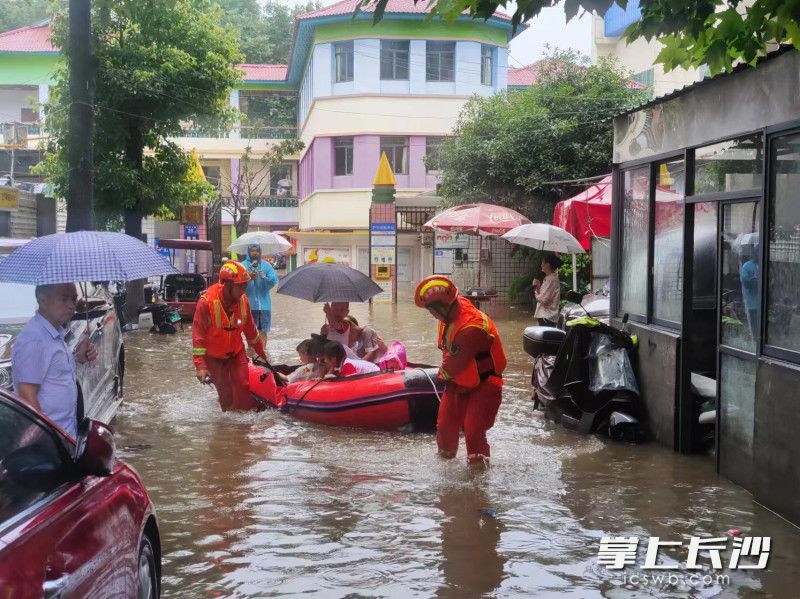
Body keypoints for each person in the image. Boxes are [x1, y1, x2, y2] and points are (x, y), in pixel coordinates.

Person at [415, 275, 506, 467]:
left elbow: (452, 367)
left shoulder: (471, 328)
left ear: (443, 307)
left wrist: (439, 376)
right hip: (458, 383)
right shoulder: (453, 311)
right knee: (444, 429)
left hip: (484, 384)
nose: (431, 314)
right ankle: (446, 472)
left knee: (473, 431)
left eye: (432, 310)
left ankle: (478, 480)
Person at [12, 283, 97, 438]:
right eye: (64, 299)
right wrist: (47, 442)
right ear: (42, 300)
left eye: (74, 299)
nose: (71, 306)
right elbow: (27, 396)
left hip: (65, 435)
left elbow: (52, 372)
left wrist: (77, 357)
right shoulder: (35, 339)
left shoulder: (53, 333)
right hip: (49, 445)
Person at [192, 261, 268, 411]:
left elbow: (251, 333)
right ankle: (229, 429)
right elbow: (198, 338)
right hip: (213, 357)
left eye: (245, 285)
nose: (244, 289)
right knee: (225, 395)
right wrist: (200, 366)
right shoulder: (206, 303)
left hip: (236, 352)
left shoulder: (243, 301)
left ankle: (242, 427)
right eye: (240, 285)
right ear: (227, 284)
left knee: (243, 386)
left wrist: (263, 355)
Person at [242, 243, 279, 341]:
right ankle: (251, 354)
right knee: (250, 333)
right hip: (248, 305)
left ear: (260, 252)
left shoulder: (266, 266)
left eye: (257, 251)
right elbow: (237, 284)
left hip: (264, 306)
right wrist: (249, 277)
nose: (255, 253)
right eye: (252, 251)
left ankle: (262, 354)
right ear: (248, 252)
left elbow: (273, 281)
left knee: (263, 331)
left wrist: (264, 277)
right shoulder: (243, 266)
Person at [533, 254, 562, 326]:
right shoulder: (548, 278)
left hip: (547, 317)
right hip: (544, 316)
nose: (541, 265)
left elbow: (544, 300)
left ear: (548, 265)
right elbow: (543, 295)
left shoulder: (552, 279)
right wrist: (538, 286)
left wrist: (536, 292)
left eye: (543, 263)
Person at [740, 248, 759, 338]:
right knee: (754, 324)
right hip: (752, 302)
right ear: (754, 253)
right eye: (757, 252)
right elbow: (745, 282)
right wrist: (753, 280)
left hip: (762, 302)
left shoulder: (763, 264)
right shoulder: (747, 266)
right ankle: (755, 340)